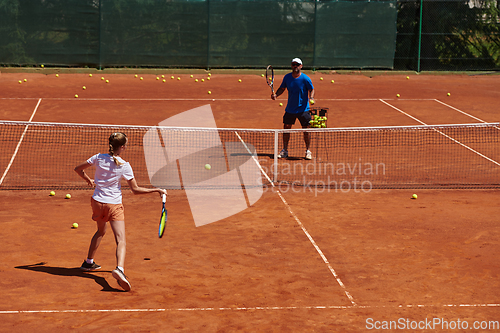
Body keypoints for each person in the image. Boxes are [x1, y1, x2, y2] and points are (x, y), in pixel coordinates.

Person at [74, 132, 167, 292]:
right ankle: (120, 269)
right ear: (122, 147)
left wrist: (88, 179)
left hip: (97, 202)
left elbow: (78, 169)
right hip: (113, 205)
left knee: (100, 231)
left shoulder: (98, 157)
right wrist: (157, 190)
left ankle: (88, 263)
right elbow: (135, 190)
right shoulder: (124, 165)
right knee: (121, 240)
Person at [271, 57, 315, 160]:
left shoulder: (305, 78)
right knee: (286, 129)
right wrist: (276, 95)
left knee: (306, 130)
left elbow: (311, 89)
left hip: (303, 109)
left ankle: (308, 151)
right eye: (293, 64)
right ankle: (285, 150)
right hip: (290, 109)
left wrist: (311, 97)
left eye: (297, 64)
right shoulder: (287, 77)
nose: (295, 66)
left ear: (301, 66)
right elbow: (282, 88)